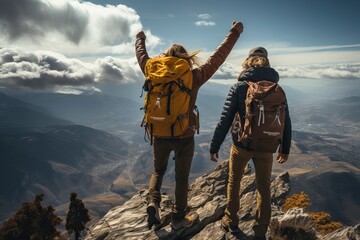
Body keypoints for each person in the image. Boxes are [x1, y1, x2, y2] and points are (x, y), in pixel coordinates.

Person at [135, 21, 244, 230]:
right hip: (184, 134)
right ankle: (178, 219)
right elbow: (218, 57)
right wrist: (235, 32)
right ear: (185, 58)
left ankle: (153, 203)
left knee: (158, 170)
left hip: (158, 131)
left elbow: (141, 55)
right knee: (182, 177)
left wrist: (140, 39)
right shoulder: (193, 76)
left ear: (166, 56)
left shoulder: (151, 71)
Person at [209, 46, 292, 239]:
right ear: (268, 63)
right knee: (264, 188)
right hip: (266, 148)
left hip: (242, 145)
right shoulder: (278, 89)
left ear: (248, 62)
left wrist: (214, 146)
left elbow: (225, 120)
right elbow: (286, 122)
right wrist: (284, 149)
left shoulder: (239, 87)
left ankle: (232, 222)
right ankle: (260, 231)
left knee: (234, 182)